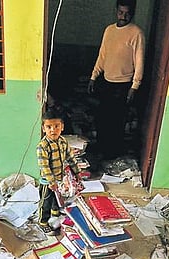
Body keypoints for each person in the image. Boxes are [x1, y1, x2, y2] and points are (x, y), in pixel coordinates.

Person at [87, 0, 145, 159]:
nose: (123, 16)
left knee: (117, 121)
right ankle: (101, 148)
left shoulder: (136, 33)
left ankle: (113, 154)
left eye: (127, 14)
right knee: (102, 118)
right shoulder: (109, 30)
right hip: (107, 81)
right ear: (116, 11)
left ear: (132, 13)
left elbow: (139, 62)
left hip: (124, 85)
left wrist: (135, 86)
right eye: (121, 12)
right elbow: (102, 55)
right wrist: (94, 76)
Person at [36, 109, 81, 234]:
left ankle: (55, 213)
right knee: (46, 202)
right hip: (47, 181)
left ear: (62, 127)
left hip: (60, 178)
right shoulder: (42, 146)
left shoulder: (63, 142)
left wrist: (77, 172)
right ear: (43, 128)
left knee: (58, 197)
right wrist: (51, 181)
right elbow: (44, 166)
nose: (53, 130)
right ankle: (42, 222)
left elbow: (70, 157)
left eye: (56, 126)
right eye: (49, 127)